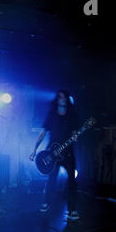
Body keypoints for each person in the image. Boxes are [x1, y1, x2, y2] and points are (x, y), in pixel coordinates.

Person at [29, 90, 80, 220]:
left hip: (68, 152)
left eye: (64, 97)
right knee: (51, 180)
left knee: (72, 182)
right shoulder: (52, 115)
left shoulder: (72, 115)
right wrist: (35, 149)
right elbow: (43, 133)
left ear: (67, 99)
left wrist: (75, 136)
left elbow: (75, 133)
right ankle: (46, 203)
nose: (62, 99)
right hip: (52, 152)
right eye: (60, 97)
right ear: (57, 99)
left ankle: (72, 210)